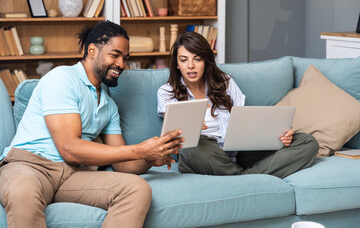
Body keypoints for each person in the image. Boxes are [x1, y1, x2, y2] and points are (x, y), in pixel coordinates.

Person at [0, 21, 183, 228]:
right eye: (115, 55)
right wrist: (140, 149)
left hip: (73, 174)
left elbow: (124, 164)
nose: (122, 64)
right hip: (31, 166)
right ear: (92, 50)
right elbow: (69, 148)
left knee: (136, 189)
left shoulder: (108, 105)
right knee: (23, 191)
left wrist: (149, 158)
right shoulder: (62, 78)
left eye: (125, 58)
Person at [157, 31, 319, 178]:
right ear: (177, 64)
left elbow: (242, 122)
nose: (190, 66)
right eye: (184, 60)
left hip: (236, 152)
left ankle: (242, 177)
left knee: (307, 142)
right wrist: (192, 128)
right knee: (192, 146)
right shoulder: (166, 92)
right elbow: (175, 135)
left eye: (197, 59)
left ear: (206, 61)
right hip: (202, 153)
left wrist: (279, 135)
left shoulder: (225, 83)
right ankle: (249, 176)